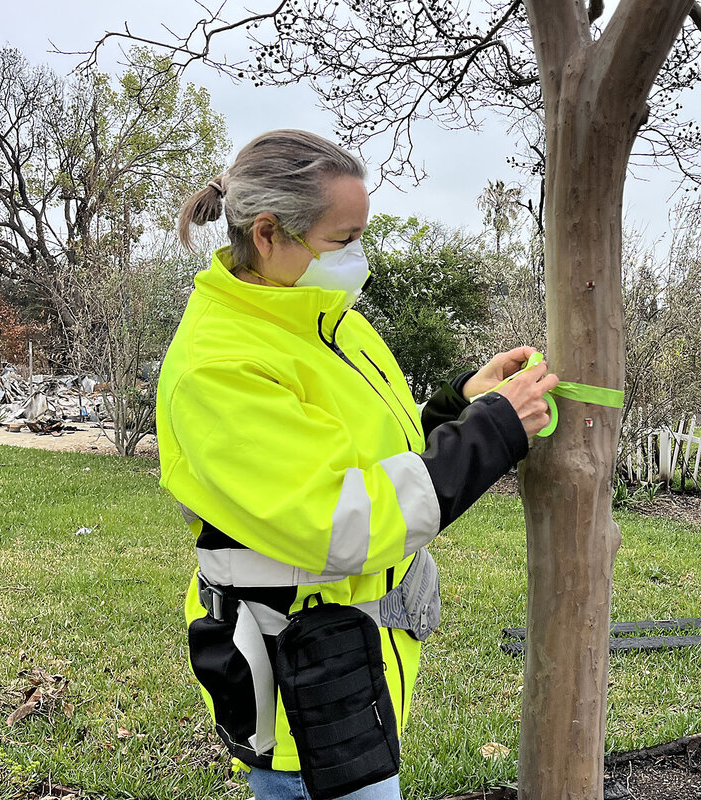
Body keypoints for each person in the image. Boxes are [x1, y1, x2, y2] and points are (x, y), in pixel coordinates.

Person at [156, 129, 558, 800]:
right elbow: (346, 519)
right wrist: (493, 433)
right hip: (299, 679)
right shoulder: (219, 364)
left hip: (346, 662)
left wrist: (461, 405)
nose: (358, 255)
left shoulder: (326, 318)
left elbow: (375, 457)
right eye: (344, 238)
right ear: (266, 233)